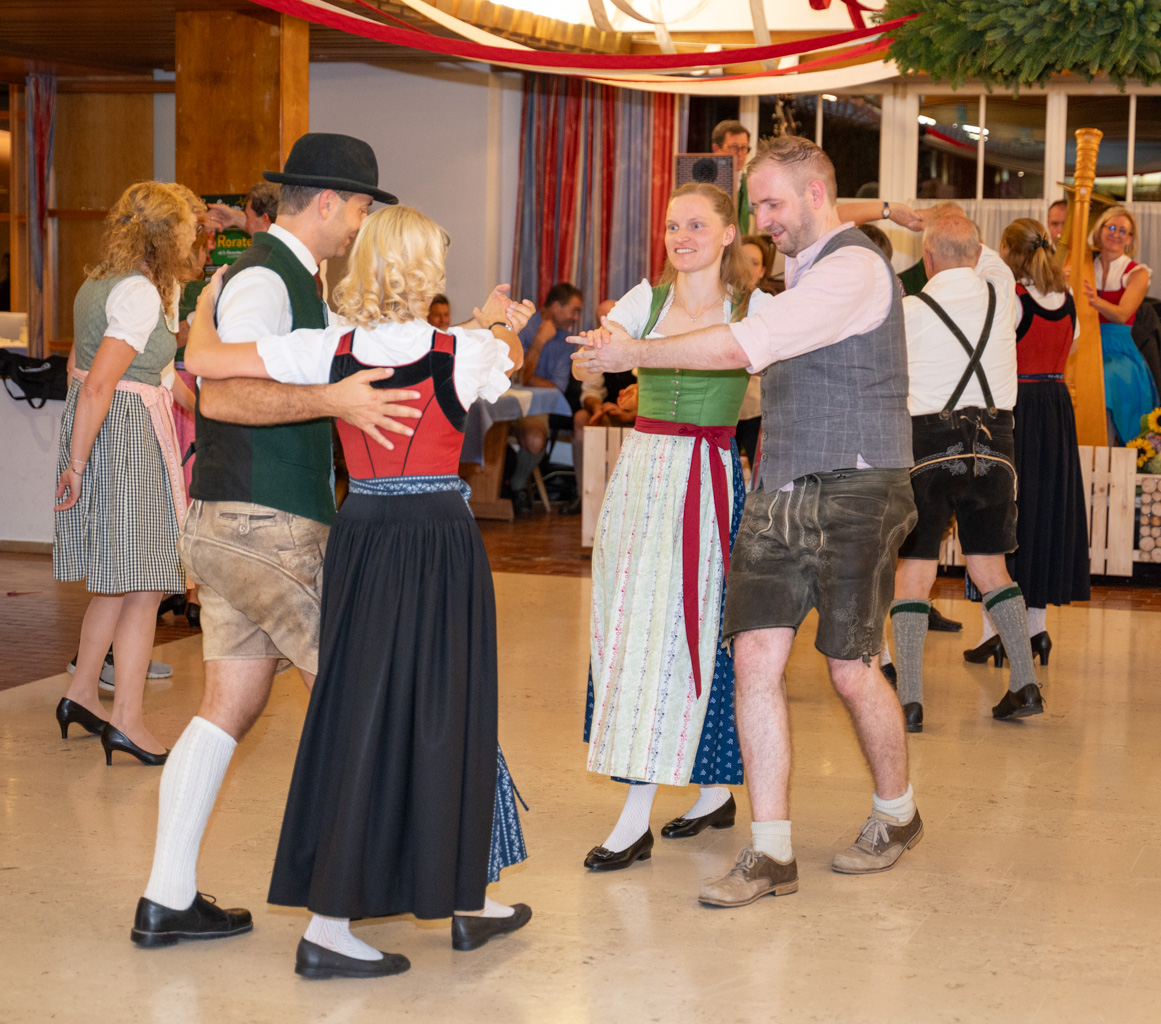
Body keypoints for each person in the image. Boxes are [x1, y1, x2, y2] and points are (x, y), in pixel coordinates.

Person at [574, 135, 922, 908]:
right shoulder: (796, 272)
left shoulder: (854, 268)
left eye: (770, 204)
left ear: (814, 196)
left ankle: (896, 813)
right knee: (755, 657)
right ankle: (770, 850)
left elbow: (743, 346)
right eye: (755, 205)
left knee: (849, 667)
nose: (761, 220)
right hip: (778, 485)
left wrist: (635, 350)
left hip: (857, 484)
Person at [186, 204, 533, 977]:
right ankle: (336, 927)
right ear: (427, 271)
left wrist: (207, 304)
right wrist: (494, 321)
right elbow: (503, 350)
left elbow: (206, 362)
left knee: (361, 709)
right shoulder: (463, 350)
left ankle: (460, 897)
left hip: (366, 534)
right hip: (439, 540)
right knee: (445, 709)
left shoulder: (328, 345)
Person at [132, 133, 423, 949]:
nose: (361, 224)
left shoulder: (289, 277)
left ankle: (166, 897)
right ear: (327, 202)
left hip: (234, 525)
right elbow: (219, 397)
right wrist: (334, 402)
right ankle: (336, 915)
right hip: (269, 523)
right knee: (356, 697)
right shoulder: (266, 277)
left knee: (230, 704)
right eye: (360, 207)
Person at [575, 182, 774, 871]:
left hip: (707, 477)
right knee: (634, 628)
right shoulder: (645, 299)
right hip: (641, 473)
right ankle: (713, 790)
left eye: (696, 225)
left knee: (691, 630)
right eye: (671, 226)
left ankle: (636, 820)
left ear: (728, 234)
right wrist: (595, 353)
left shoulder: (755, 309)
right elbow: (600, 351)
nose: (680, 237)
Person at [52, 181, 200, 765]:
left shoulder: (100, 282)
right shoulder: (138, 293)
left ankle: (82, 691)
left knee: (116, 582)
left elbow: (85, 368)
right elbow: (99, 384)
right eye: (187, 229)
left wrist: (197, 407)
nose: (194, 238)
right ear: (165, 236)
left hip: (108, 430)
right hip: (126, 438)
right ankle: (128, 720)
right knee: (144, 585)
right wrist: (77, 465)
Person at [890, 213, 1045, 731]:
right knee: (991, 569)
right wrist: (973, 242)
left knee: (914, 573)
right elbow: (993, 263)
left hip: (927, 449)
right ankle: (1024, 681)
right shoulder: (1004, 299)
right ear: (978, 255)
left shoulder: (908, 310)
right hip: (994, 447)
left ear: (927, 258)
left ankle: (910, 700)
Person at [964, 218, 1090, 669]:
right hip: (1056, 410)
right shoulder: (1067, 299)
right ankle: (1036, 629)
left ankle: (995, 632)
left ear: (1007, 250)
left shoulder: (1013, 300)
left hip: (1019, 409)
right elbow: (1069, 348)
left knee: (1006, 516)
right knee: (1045, 514)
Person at [1082, 205, 1159, 444]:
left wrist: (1094, 301)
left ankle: (1107, 447)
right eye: (1111, 227)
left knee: (1107, 375)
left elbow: (1123, 315)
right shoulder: (1084, 266)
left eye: (1123, 231)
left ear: (1131, 239)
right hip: (1086, 343)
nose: (1116, 234)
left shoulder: (1138, 273)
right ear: (1100, 230)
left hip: (1119, 348)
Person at [511, 282, 583, 510]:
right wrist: (539, 340)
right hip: (500, 399)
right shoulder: (523, 324)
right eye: (574, 310)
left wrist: (538, 346)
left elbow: (556, 387)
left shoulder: (566, 342)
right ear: (556, 306)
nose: (576, 317)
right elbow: (513, 375)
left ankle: (515, 487)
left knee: (534, 441)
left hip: (533, 405)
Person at [711, 119, 752, 234]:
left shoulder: (748, 181)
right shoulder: (706, 183)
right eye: (734, 147)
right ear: (716, 149)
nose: (740, 154)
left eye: (744, 148)